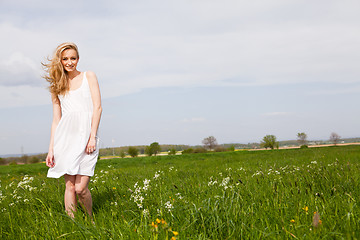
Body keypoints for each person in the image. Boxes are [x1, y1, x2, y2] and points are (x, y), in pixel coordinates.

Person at [43, 42, 102, 219]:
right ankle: (74, 226)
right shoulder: (56, 85)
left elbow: (98, 108)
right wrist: (51, 149)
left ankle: (91, 221)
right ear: (60, 61)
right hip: (65, 139)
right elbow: (56, 120)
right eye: (65, 59)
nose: (70, 62)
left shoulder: (88, 76)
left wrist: (92, 137)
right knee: (69, 186)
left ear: (78, 59)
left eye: (73, 58)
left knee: (80, 188)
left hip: (87, 138)